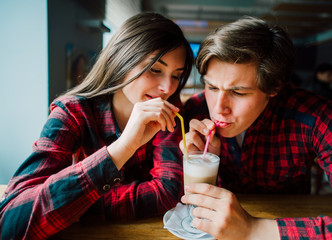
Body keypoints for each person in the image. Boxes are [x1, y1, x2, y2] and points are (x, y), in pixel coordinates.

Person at [0, 12, 193, 239]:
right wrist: (122, 147)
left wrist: (74, 205)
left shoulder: (169, 112)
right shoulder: (72, 112)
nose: (167, 88)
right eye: (155, 69)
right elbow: (9, 222)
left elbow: (167, 192)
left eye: (176, 76)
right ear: (116, 61)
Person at [179, 16, 332, 239]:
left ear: (274, 87)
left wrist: (253, 230)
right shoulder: (194, 111)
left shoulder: (317, 118)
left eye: (238, 92)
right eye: (212, 87)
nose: (218, 108)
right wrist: (200, 166)